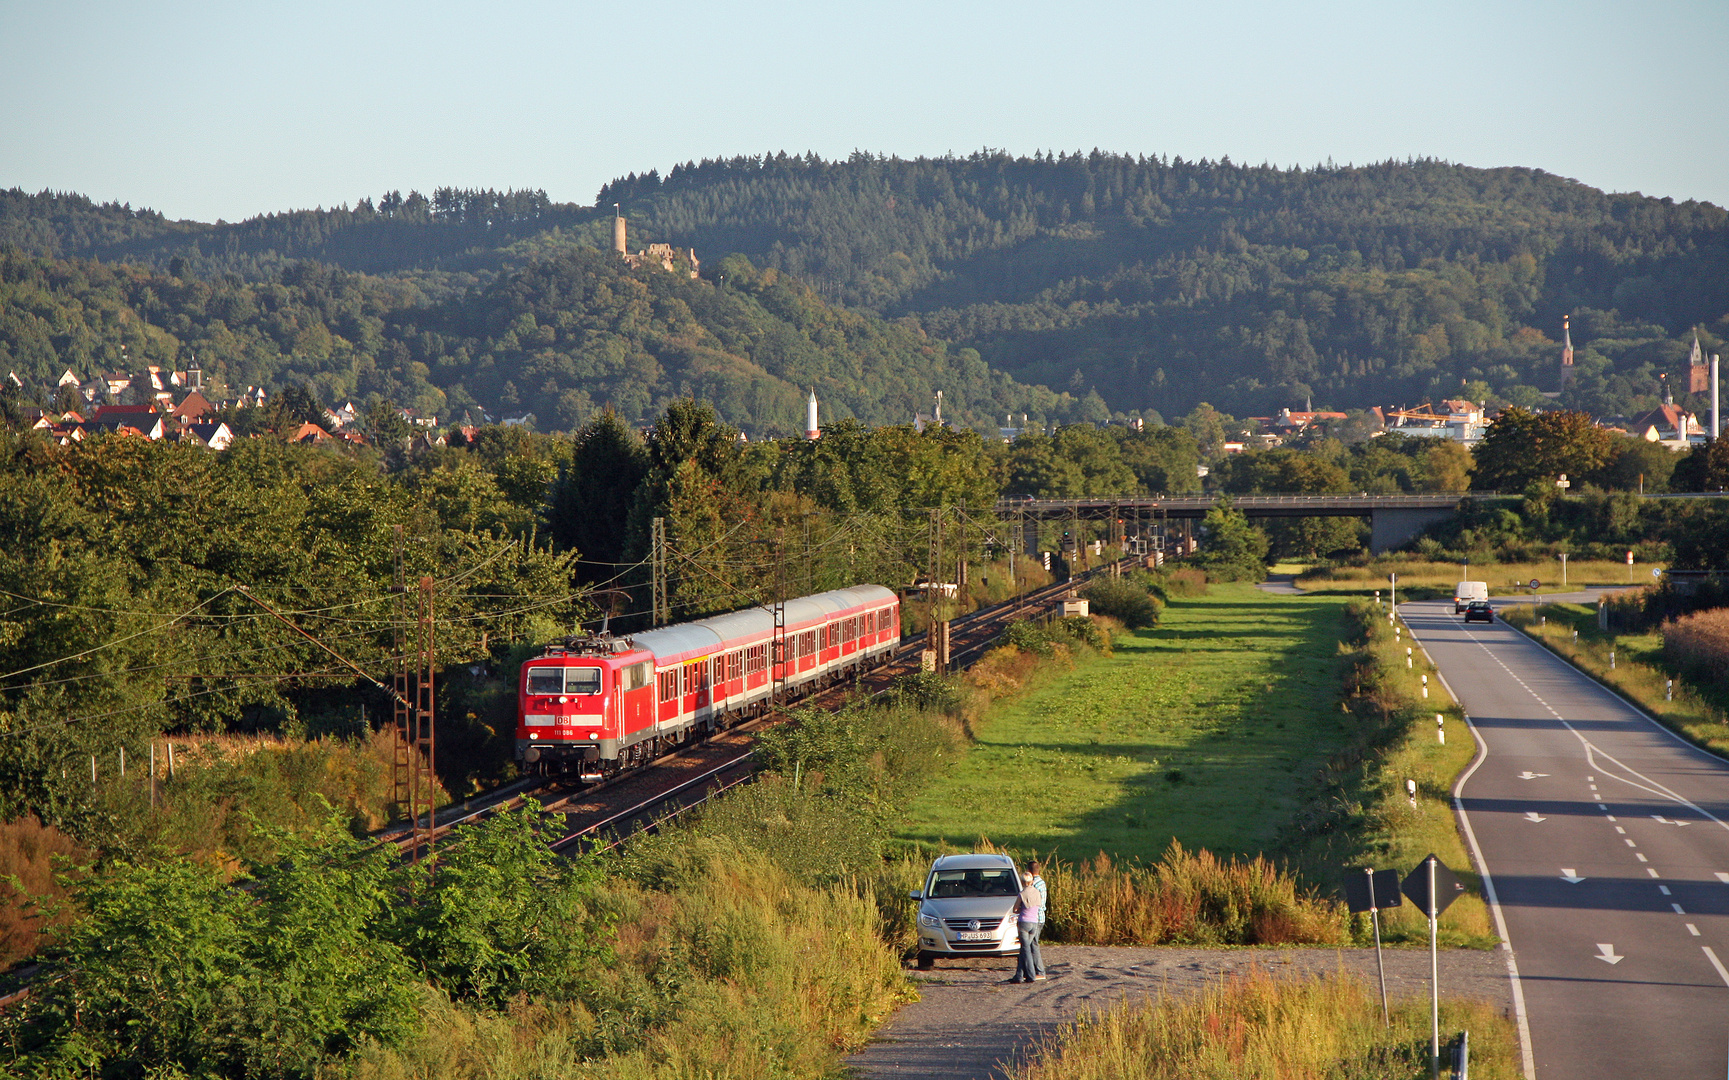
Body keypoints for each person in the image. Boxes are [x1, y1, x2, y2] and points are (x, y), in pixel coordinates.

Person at [1010, 870, 1042, 983]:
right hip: (1035, 922)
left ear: (1022, 882)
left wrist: (1020, 909)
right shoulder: (1037, 892)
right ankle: (1019, 976)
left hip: (1024, 922)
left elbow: (1015, 909)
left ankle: (1031, 975)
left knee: (1025, 949)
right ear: (1032, 881)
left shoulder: (1022, 894)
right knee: (1025, 949)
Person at [1028, 860, 1048, 979]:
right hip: (1041, 916)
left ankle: (1039, 971)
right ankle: (1035, 970)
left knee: (1033, 944)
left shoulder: (1033, 885)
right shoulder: (1042, 883)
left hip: (1034, 917)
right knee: (1033, 943)